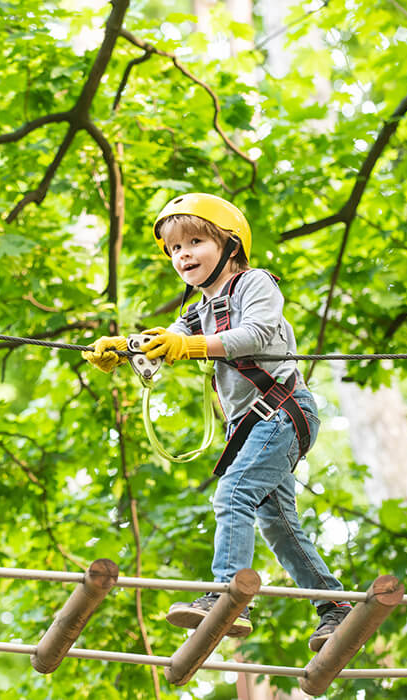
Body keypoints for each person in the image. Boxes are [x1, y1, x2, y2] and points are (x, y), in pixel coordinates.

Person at [83, 193, 350, 651]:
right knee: (279, 525)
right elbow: (168, 340)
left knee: (234, 493)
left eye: (194, 242)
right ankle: (334, 607)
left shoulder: (255, 283)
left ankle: (229, 595)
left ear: (229, 246)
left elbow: (258, 334)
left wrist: (189, 346)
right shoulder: (199, 310)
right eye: (174, 249)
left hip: (283, 411)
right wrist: (124, 346)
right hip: (252, 426)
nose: (183, 254)